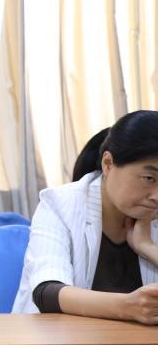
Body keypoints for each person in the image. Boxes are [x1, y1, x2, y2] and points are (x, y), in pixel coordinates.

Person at [11, 110, 158, 322]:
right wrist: (127, 307)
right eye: (149, 178)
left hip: (136, 343)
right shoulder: (59, 203)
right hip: (57, 338)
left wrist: (149, 248)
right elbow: (47, 292)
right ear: (108, 164)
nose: (156, 197)